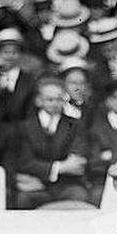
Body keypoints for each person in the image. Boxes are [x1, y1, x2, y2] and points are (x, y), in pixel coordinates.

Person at [11, 77, 88, 209]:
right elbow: (25, 162)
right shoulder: (24, 127)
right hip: (34, 184)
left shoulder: (74, 125)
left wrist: (54, 168)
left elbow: (76, 162)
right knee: (22, 199)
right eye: (49, 99)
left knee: (79, 196)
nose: (55, 103)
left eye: (59, 99)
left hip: (66, 185)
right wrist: (60, 168)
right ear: (38, 101)